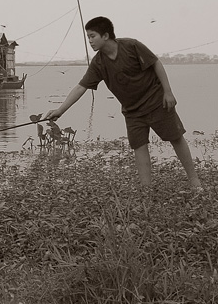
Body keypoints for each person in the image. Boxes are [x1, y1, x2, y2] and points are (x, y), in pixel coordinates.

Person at [45, 16, 202, 190]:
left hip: (156, 102)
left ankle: (194, 181)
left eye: (92, 36)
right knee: (139, 146)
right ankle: (146, 189)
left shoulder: (131, 46)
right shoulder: (98, 63)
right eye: (88, 37)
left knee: (175, 137)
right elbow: (81, 87)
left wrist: (168, 92)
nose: (90, 41)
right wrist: (60, 110)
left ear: (105, 36)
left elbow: (156, 63)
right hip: (132, 111)